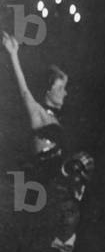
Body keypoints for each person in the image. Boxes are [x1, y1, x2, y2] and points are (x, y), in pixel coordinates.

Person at [2, 31, 68, 171]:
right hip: (41, 180)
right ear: (48, 91)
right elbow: (25, 92)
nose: (65, 93)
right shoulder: (38, 113)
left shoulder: (55, 118)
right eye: (60, 88)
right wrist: (13, 54)